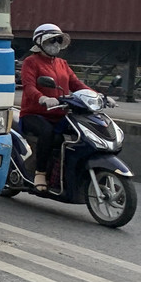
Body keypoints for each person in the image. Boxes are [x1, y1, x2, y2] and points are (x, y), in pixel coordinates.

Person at [20, 23, 88, 191]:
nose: (56, 44)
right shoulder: (31, 62)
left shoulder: (62, 63)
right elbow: (29, 87)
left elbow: (77, 85)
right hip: (34, 114)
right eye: (52, 40)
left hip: (59, 115)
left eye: (58, 40)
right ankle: (40, 173)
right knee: (47, 132)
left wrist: (99, 96)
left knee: (82, 133)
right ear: (40, 42)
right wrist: (42, 98)